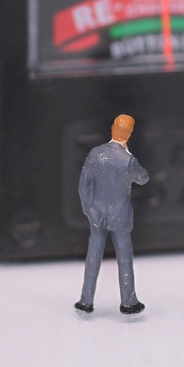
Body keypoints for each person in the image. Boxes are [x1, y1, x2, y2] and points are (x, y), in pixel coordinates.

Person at [75, 114, 150, 314]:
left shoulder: (94, 153)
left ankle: (86, 300)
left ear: (112, 129)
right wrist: (129, 156)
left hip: (96, 214)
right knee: (124, 258)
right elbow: (143, 178)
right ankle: (128, 302)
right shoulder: (128, 160)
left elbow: (84, 185)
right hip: (120, 216)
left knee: (93, 257)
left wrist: (89, 209)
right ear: (129, 133)